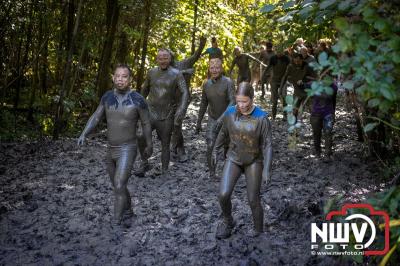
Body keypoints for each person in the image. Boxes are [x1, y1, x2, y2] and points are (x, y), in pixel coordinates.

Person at [77, 64, 153, 224]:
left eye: (124, 76)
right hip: (110, 149)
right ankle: (128, 211)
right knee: (119, 186)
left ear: (130, 79)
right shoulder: (107, 97)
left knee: (119, 184)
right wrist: (84, 133)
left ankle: (115, 222)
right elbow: (96, 117)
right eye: (117, 76)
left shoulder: (138, 99)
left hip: (128, 149)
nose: (120, 79)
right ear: (113, 78)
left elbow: (146, 123)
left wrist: (149, 144)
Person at [214, 82, 272, 239]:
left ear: (252, 99)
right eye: (238, 101)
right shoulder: (230, 113)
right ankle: (228, 220)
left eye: (245, 101)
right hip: (233, 158)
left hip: (253, 160)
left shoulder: (261, 117)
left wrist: (266, 169)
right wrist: (216, 149)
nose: (241, 105)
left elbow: (267, 145)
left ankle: (259, 230)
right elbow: (223, 133)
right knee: (223, 194)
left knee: (253, 199)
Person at [137, 48, 189, 177]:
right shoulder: (151, 73)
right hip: (151, 111)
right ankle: (144, 162)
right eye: (160, 58)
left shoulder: (177, 74)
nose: (163, 61)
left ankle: (165, 170)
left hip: (167, 113)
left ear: (170, 59)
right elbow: (144, 91)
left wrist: (182, 108)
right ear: (157, 59)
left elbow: (184, 92)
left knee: (165, 142)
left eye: (165, 58)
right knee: (140, 136)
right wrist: (140, 108)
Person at [196, 58, 235, 178]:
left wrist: (222, 118)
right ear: (209, 69)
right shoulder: (206, 84)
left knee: (227, 146)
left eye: (217, 67)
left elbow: (233, 101)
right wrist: (198, 122)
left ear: (221, 69)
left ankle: (228, 172)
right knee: (210, 144)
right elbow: (203, 103)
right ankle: (212, 172)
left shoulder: (228, 82)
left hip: (227, 118)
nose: (214, 70)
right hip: (212, 118)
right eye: (212, 68)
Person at [170, 36, 206, 162]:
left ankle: (178, 150)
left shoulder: (184, 63)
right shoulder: (165, 69)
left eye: (168, 57)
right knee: (173, 126)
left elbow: (196, 55)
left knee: (177, 123)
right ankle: (178, 148)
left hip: (183, 100)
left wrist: (202, 45)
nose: (166, 60)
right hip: (170, 101)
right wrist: (186, 72)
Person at [280, 53, 317, 120]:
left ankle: (315, 125)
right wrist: (281, 88)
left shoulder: (307, 66)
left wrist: (304, 80)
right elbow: (285, 77)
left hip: (307, 91)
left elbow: (315, 78)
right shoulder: (290, 66)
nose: (297, 63)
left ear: (302, 60)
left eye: (298, 61)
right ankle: (294, 125)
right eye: (295, 61)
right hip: (297, 91)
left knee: (312, 109)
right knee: (295, 110)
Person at [310, 83, 338, 158]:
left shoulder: (334, 87)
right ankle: (317, 152)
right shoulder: (314, 84)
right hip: (315, 113)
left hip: (328, 113)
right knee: (316, 133)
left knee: (328, 132)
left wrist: (333, 113)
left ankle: (327, 154)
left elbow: (334, 100)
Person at [263, 46, 290, 120]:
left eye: (280, 52)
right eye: (277, 52)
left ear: (283, 52)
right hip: (274, 80)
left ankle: (285, 116)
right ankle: (273, 116)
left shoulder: (286, 59)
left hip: (283, 80)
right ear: (275, 52)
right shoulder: (273, 58)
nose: (279, 53)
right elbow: (268, 67)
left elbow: (290, 68)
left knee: (284, 97)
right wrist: (264, 75)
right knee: (274, 100)